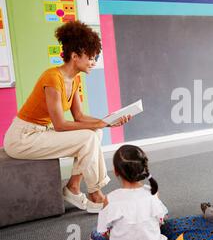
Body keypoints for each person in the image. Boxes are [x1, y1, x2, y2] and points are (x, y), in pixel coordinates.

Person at [3, 21, 130, 213]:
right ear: (75, 55)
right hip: (23, 138)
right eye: (91, 57)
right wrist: (101, 123)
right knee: (88, 136)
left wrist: (107, 122)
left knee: (95, 133)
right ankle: (95, 193)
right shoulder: (52, 78)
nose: (94, 62)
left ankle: (73, 186)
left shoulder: (75, 78)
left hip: (42, 131)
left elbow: (78, 116)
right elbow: (60, 124)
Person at [89, 145, 169, 240]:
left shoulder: (110, 199)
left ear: (116, 171)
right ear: (143, 168)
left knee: (95, 234)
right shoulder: (153, 192)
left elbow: (104, 232)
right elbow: (161, 221)